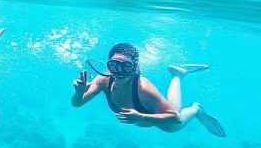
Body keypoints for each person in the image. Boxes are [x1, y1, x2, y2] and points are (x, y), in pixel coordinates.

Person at [71, 42, 226, 137]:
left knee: (173, 127)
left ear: (135, 68)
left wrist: (141, 117)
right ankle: (177, 74)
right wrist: (79, 93)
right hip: (140, 118)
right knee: (152, 120)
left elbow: (174, 118)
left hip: (154, 115)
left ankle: (194, 108)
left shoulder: (143, 89)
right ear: (109, 65)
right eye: (114, 65)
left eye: (126, 66)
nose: (119, 71)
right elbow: (77, 103)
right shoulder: (103, 80)